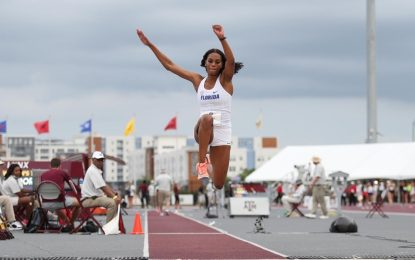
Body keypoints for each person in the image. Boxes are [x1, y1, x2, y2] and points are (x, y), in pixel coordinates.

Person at [137, 25, 243, 189]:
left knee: (219, 184)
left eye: (217, 62)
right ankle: (202, 163)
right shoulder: (197, 81)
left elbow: (231, 61)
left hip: (223, 132)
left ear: (222, 65)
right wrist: (150, 45)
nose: (213, 64)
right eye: (210, 61)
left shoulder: (225, 82)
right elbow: (170, 65)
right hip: (203, 129)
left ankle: (207, 163)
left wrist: (222, 38)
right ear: (205, 64)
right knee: (207, 118)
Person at [40, 158, 81, 232]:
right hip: (59, 202)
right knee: (79, 204)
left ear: (50, 165)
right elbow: (73, 187)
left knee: (57, 206)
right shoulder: (63, 173)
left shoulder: (43, 175)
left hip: (45, 204)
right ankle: (71, 224)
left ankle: (68, 224)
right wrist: (80, 189)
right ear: (60, 165)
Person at [81, 151, 122, 223]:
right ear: (93, 160)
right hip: (89, 199)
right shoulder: (93, 171)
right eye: (98, 160)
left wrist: (114, 193)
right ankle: (108, 227)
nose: (100, 162)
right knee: (112, 203)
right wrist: (114, 197)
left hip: (94, 198)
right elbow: (103, 187)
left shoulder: (96, 170)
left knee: (114, 201)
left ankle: (113, 225)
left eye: (102, 160)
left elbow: (104, 185)